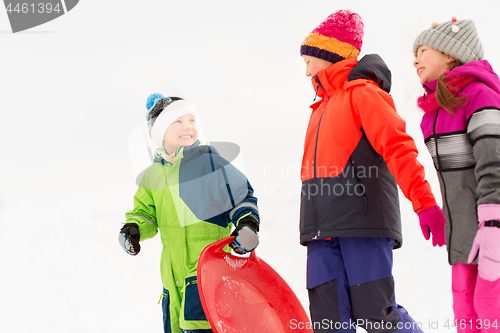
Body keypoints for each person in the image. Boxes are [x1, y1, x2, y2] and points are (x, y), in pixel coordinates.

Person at [299, 10, 446, 333]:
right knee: (328, 322)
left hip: (362, 224)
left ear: (329, 55)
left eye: (310, 59)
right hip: (320, 232)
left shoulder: (364, 94)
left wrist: (425, 203)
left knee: (376, 316)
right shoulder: (319, 109)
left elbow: (398, 148)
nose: (306, 69)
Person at [118, 94, 260, 333]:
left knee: (205, 327)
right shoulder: (153, 175)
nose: (188, 127)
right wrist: (133, 229)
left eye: (191, 120)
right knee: (176, 326)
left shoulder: (210, 163)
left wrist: (247, 223)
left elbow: (240, 196)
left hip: (208, 269)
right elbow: (145, 213)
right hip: (173, 278)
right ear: (160, 133)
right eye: (178, 122)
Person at [413, 18, 500, 332]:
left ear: (451, 55)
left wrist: (493, 224)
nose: (416, 59)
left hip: (491, 229)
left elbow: (494, 163)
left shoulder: (480, 96)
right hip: (464, 236)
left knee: (492, 311)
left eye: (423, 50)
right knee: (465, 313)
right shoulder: (434, 114)